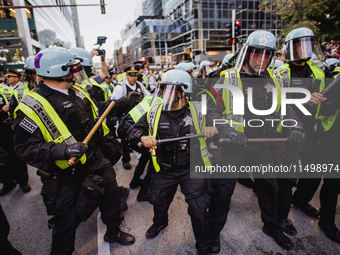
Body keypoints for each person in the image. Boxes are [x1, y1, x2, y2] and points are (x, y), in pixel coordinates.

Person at [13, 47, 136, 255]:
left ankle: (113, 231)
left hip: (96, 159)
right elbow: (25, 148)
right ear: (57, 71)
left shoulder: (77, 91)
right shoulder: (31, 105)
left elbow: (97, 114)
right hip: (67, 173)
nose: (76, 72)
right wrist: (64, 150)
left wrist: (120, 104)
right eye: (72, 68)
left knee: (112, 197)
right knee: (66, 221)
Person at [206, 30, 305, 252]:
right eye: (256, 53)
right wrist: (227, 132)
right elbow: (212, 113)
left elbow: (288, 109)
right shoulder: (228, 78)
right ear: (247, 52)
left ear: (271, 57)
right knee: (222, 191)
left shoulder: (276, 79)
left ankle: (271, 226)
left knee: (270, 188)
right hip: (234, 147)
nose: (261, 59)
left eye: (266, 55)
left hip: (263, 145)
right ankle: (213, 233)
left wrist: (296, 126)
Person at [128, 69, 213, 255]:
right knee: (159, 202)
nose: (166, 94)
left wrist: (212, 128)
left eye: (171, 90)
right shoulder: (154, 112)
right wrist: (142, 137)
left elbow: (220, 123)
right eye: (164, 89)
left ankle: (204, 247)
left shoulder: (198, 110)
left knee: (199, 209)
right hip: (164, 169)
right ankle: (160, 222)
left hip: (191, 168)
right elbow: (132, 132)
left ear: (184, 92)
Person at [275, 27, 333, 219]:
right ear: (291, 48)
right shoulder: (280, 73)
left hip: (311, 127)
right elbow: (273, 103)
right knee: (286, 175)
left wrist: (324, 107)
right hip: (287, 129)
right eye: (300, 45)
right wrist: (305, 99)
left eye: (308, 44)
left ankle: (299, 200)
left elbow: (332, 97)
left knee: (314, 169)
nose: (305, 49)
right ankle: (278, 214)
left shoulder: (320, 70)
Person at [112, 64, 150, 170]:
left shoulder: (140, 86)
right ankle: (126, 160)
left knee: (138, 139)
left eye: (135, 75)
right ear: (126, 75)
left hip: (138, 119)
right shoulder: (120, 87)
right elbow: (114, 104)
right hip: (125, 120)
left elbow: (148, 96)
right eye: (131, 75)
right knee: (125, 141)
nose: (133, 77)